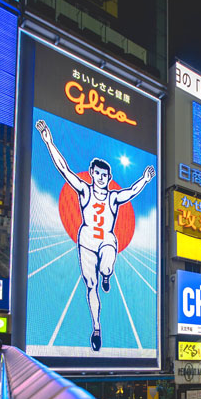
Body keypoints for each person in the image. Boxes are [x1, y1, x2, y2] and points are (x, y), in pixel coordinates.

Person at [36, 119, 155, 352]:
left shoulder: (113, 197)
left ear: (109, 178)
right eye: (97, 173)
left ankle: (107, 274)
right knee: (91, 285)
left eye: (105, 175)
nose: (101, 178)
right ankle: (97, 327)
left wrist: (145, 179)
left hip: (107, 240)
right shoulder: (84, 190)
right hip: (87, 241)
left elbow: (131, 191)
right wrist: (48, 141)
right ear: (92, 173)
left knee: (107, 265)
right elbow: (64, 169)